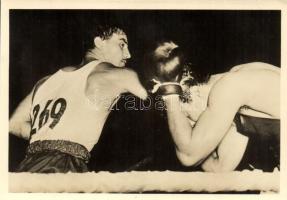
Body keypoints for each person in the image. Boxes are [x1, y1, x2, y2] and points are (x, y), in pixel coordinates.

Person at [9, 24, 147, 173]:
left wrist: (50, 138)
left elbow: (14, 124)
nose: (128, 54)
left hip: (28, 166)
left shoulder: (45, 81)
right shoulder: (119, 74)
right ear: (99, 42)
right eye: (121, 44)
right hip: (65, 166)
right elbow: (156, 102)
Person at [148, 41, 280, 172]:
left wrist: (170, 96)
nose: (192, 125)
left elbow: (188, 156)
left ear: (194, 92)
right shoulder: (233, 101)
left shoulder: (231, 85)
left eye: (187, 116)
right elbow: (218, 168)